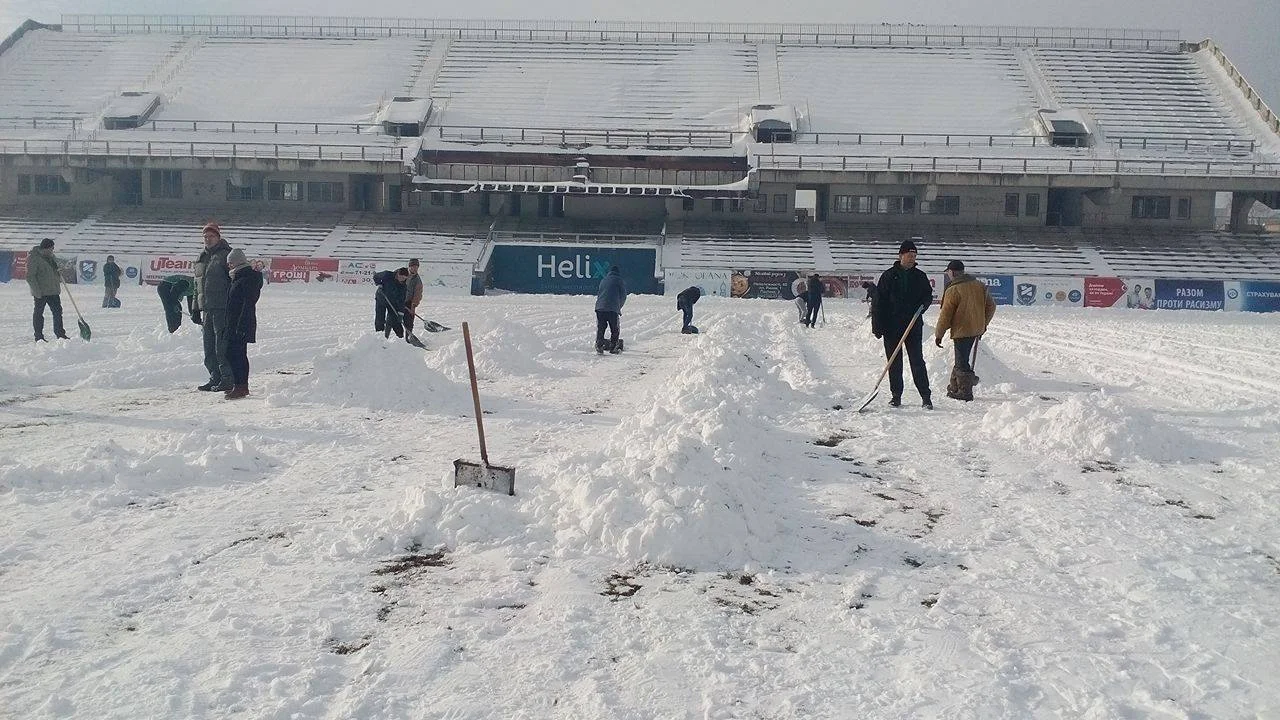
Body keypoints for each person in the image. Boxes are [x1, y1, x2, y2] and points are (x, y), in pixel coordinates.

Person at [873, 240, 934, 409]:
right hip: (892, 326)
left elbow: (927, 296)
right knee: (894, 362)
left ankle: (925, 396)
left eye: (914, 256)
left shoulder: (920, 276)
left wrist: (923, 305)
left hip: (913, 325)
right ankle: (896, 395)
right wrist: (877, 326)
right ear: (900, 255)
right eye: (909, 255)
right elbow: (879, 302)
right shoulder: (888, 275)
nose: (911, 259)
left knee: (917, 361)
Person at [934, 260, 996, 402]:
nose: (948, 274)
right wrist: (983, 324)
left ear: (952, 272)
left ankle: (965, 392)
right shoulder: (979, 285)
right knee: (961, 359)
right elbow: (991, 306)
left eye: (948, 272)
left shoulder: (953, 289)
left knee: (962, 362)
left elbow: (945, 315)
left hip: (962, 330)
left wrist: (939, 334)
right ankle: (954, 386)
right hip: (976, 329)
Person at [193, 223, 234, 392]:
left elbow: (235, 281)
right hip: (207, 309)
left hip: (222, 307)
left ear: (218, 237)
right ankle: (214, 377)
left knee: (221, 346)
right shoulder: (202, 257)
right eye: (205, 237)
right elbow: (197, 285)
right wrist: (196, 308)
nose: (208, 239)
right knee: (208, 346)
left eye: (211, 236)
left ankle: (227, 378)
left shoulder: (226, 256)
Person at [223, 249, 263, 400]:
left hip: (241, 323)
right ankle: (239, 385)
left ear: (236, 262)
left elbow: (247, 304)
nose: (228, 265)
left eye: (230, 262)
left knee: (236, 354)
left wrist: (241, 325)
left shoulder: (247, 279)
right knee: (232, 353)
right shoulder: (239, 277)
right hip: (234, 322)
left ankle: (241, 386)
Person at [27, 238, 68, 342]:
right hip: (41, 292)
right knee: (39, 313)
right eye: (51, 248)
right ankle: (39, 336)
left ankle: (60, 334)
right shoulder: (34, 258)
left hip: (53, 291)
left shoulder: (51, 257)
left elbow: (54, 271)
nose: (52, 250)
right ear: (45, 248)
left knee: (58, 312)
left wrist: (58, 271)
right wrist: (37, 292)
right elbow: (30, 276)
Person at [595, 265, 627, 354]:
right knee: (614, 328)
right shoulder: (619, 280)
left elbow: (599, 294)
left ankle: (599, 345)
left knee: (601, 327)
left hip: (599, 308)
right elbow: (623, 296)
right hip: (612, 308)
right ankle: (613, 347)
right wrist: (618, 307)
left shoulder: (603, 280)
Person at [373, 268, 409, 338]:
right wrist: (379, 283)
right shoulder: (387, 274)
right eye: (401, 277)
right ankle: (379, 337)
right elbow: (376, 276)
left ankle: (400, 337)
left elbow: (402, 301)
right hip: (381, 298)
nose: (402, 279)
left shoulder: (403, 286)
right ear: (398, 274)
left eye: (404, 278)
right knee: (380, 319)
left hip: (392, 302)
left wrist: (400, 314)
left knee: (395, 319)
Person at [403, 258, 424, 338]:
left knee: (409, 321)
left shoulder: (417, 281)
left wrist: (413, 306)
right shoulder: (402, 273)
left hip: (408, 302)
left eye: (416, 267)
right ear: (409, 267)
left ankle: (408, 338)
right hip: (397, 300)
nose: (414, 269)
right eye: (413, 267)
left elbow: (417, 295)